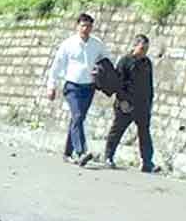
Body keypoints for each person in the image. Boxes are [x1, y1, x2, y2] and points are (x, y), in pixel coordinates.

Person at [46, 13, 111, 166]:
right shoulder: (68, 44)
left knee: (77, 119)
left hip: (89, 87)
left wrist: (101, 70)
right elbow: (56, 66)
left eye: (89, 26)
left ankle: (67, 153)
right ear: (77, 26)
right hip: (72, 86)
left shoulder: (97, 44)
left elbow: (107, 60)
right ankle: (81, 151)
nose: (86, 29)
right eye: (83, 25)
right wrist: (51, 86)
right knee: (78, 115)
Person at [105, 34, 156, 172]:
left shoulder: (147, 63)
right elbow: (118, 84)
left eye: (146, 49)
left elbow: (149, 84)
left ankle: (147, 162)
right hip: (126, 104)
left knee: (144, 133)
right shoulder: (125, 61)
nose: (144, 51)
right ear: (135, 46)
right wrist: (122, 101)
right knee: (117, 131)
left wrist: (150, 102)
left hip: (142, 105)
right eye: (142, 48)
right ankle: (108, 156)